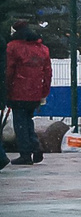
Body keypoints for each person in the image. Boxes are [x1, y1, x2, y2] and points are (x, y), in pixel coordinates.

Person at [6, 20, 51, 166]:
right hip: (35, 92)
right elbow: (48, 72)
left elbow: (9, 71)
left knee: (20, 122)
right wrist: (44, 91)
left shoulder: (12, 47)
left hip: (17, 90)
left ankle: (25, 154)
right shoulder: (42, 49)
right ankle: (35, 146)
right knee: (28, 120)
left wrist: (5, 89)